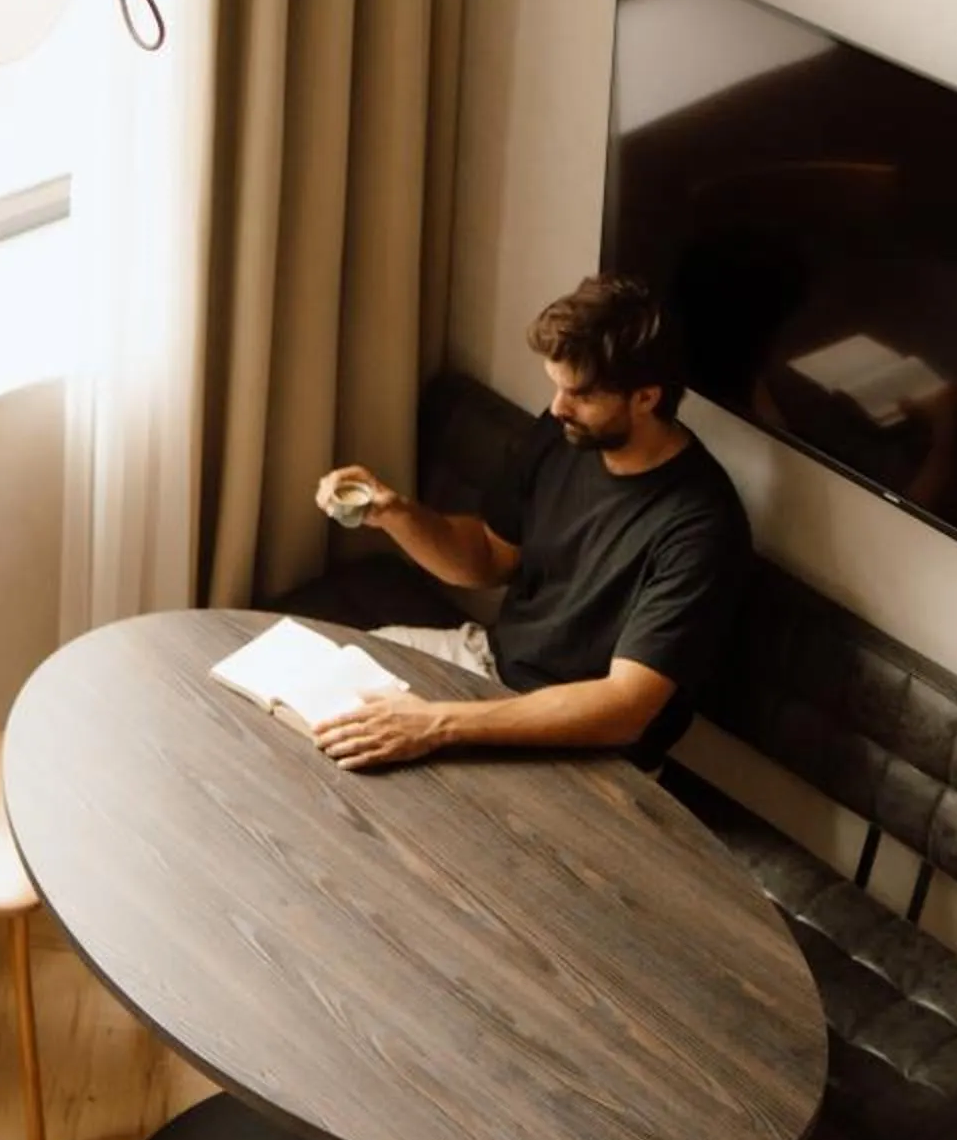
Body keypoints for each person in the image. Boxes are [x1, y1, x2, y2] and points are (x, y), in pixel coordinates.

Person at [310, 272, 751, 771]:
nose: (559, 406)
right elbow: (486, 559)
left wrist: (437, 724)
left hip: (587, 751)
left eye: (579, 395)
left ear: (646, 398)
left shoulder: (701, 527)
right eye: (556, 387)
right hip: (489, 671)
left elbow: (625, 709)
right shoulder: (566, 433)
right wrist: (394, 512)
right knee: (319, 697)